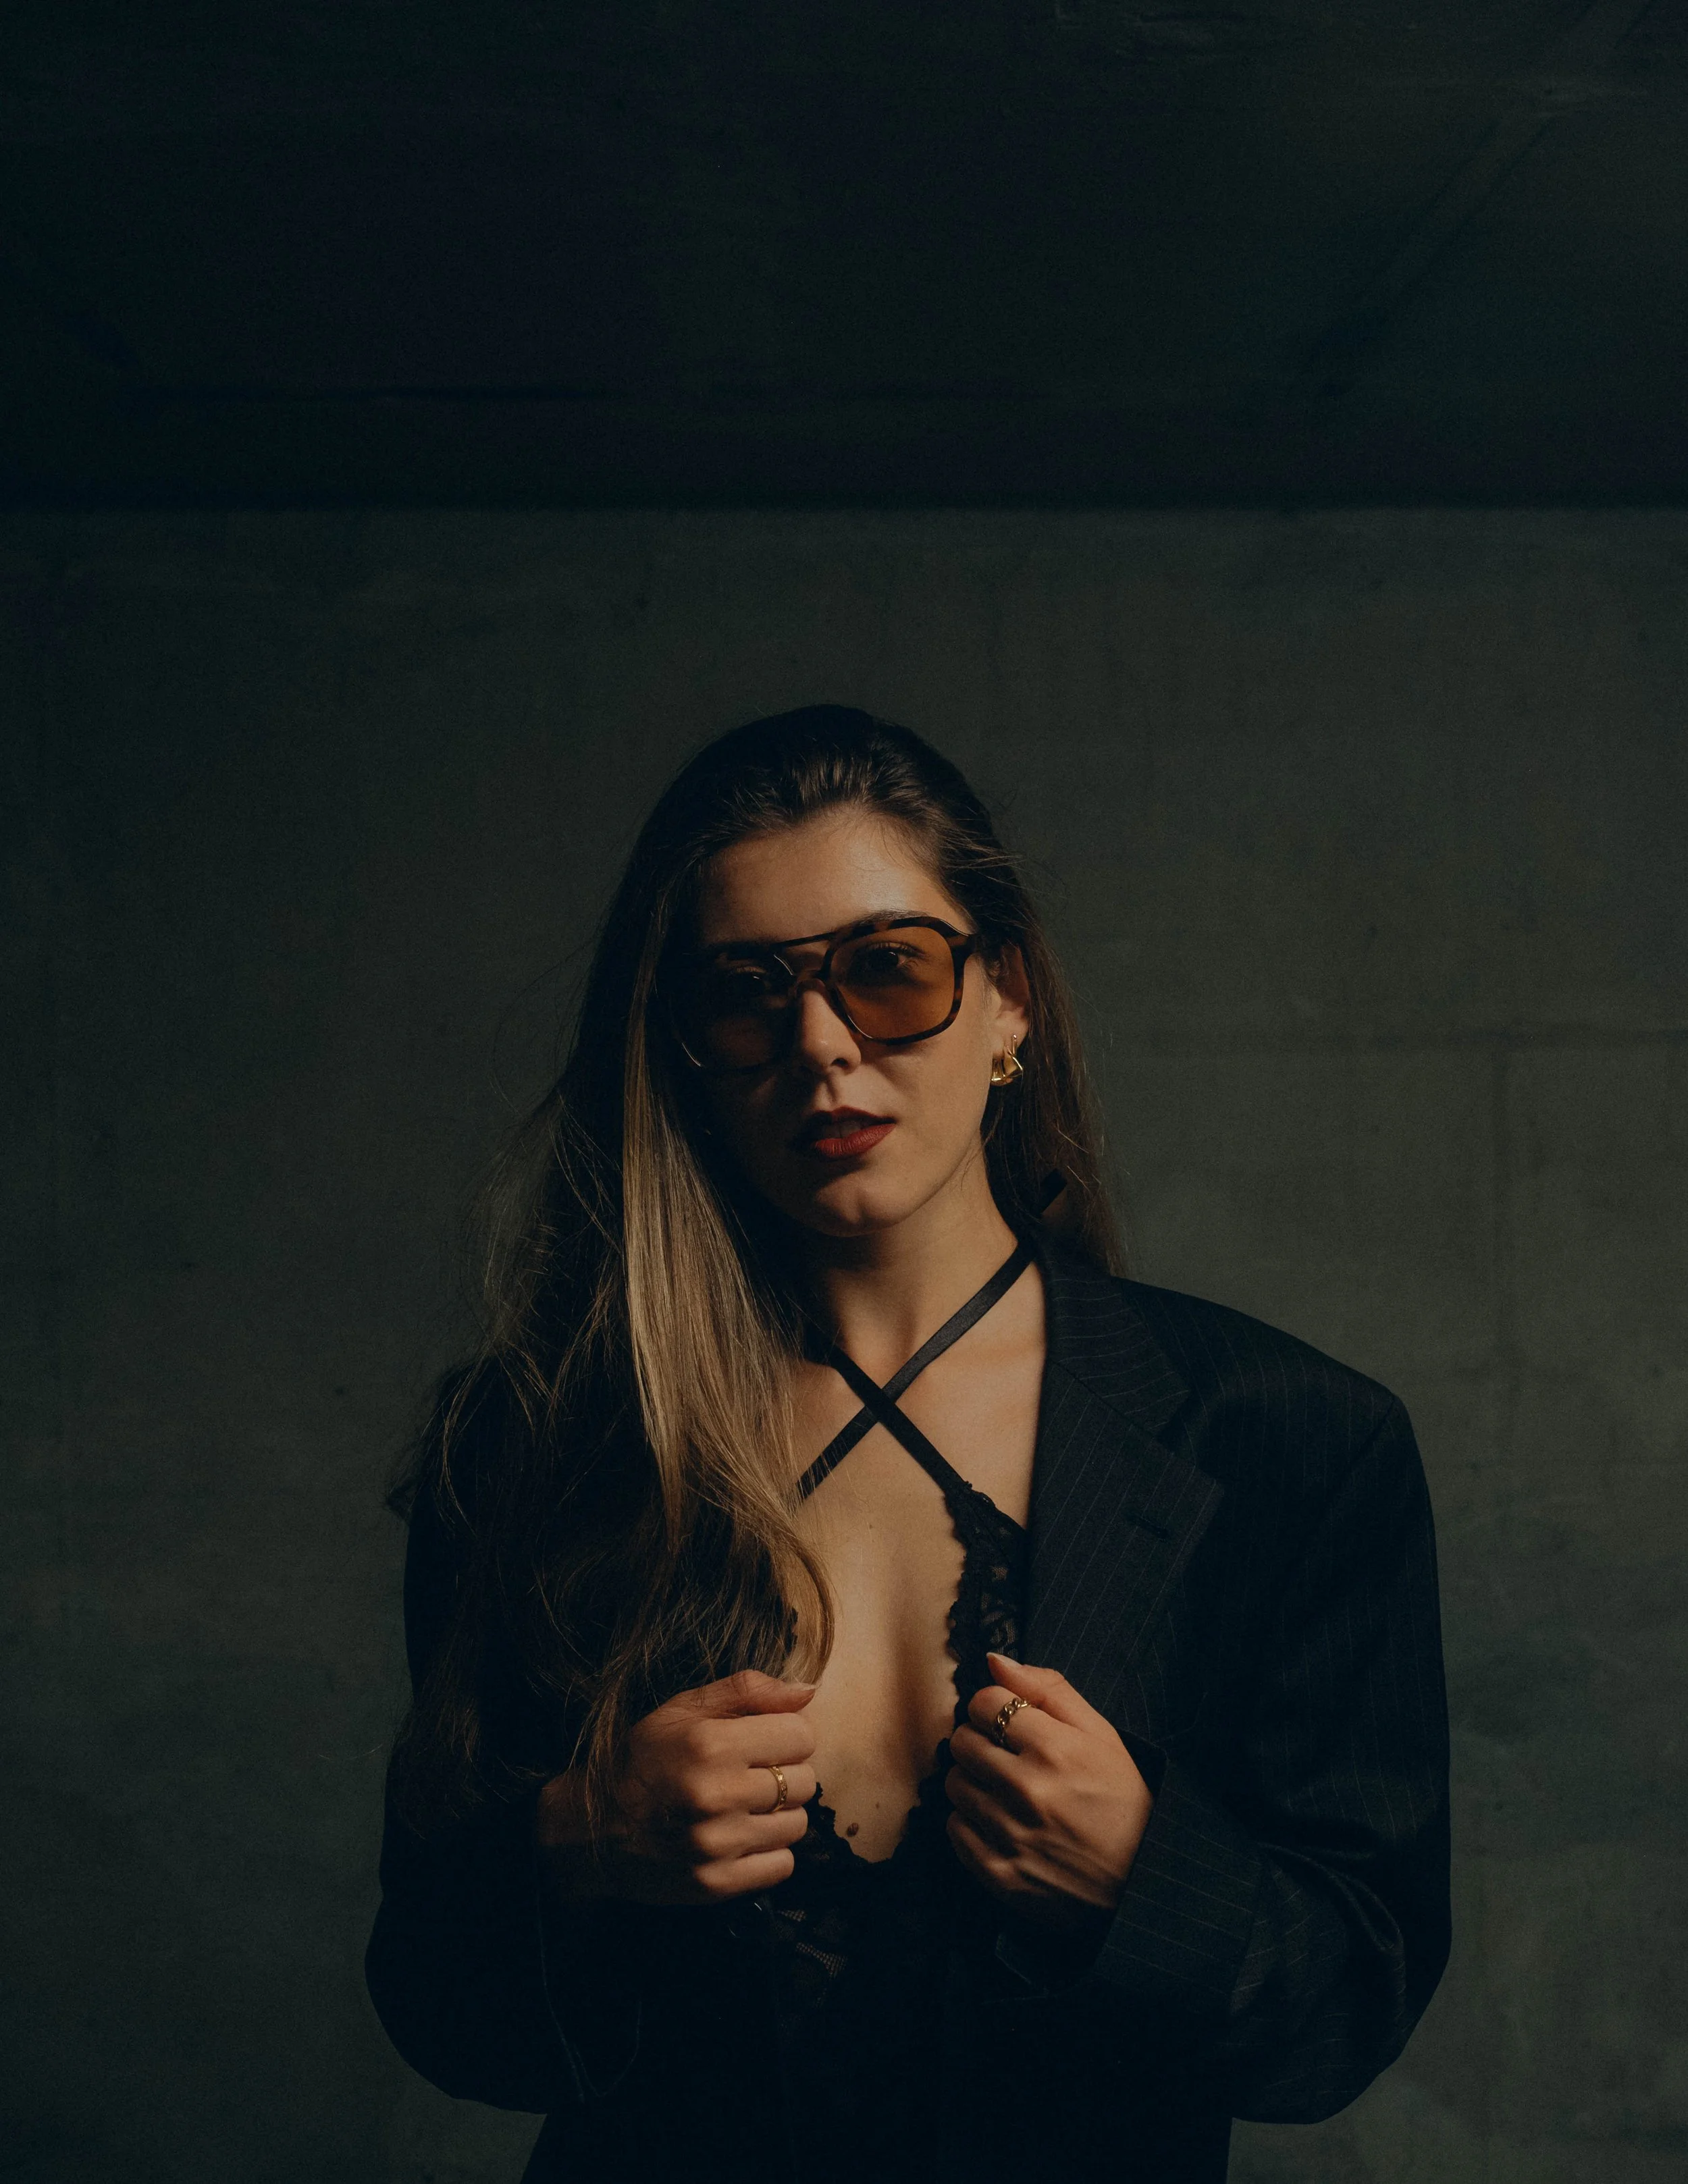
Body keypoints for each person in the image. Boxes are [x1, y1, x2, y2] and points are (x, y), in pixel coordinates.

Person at [367, 706, 1450, 2183]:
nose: (821, 1046)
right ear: (683, 1050)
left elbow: (1346, 2013)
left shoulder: (1288, 1442)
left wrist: (1142, 1880)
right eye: (748, 995)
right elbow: (437, 2005)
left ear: (1005, 1002)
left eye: (886, 971)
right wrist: (577, 1844)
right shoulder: (537, 1451)